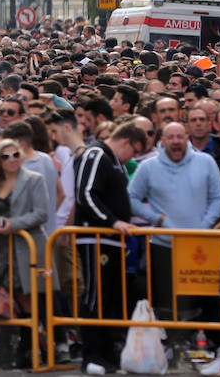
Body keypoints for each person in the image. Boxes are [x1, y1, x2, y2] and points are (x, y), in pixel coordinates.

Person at [127, 122, 220, 364]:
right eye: (170, 137)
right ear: (162, 141)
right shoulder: (148, 167)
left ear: (187, 138)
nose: (175, 141)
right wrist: (157, 219)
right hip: (163, 244)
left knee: (201, 297)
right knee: (165, 299)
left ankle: (203, 343)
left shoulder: (206, 162)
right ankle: (171, 344)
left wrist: (205, 225)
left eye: (179, 136)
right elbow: (131, 198)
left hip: (200, 244)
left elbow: (218, 196)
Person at [72, 122, 145, 376]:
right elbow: (86, 194)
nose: (132, 158)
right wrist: (112, 221)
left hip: (111, 239)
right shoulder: (96, 155)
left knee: (108, 296)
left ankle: (105, 353)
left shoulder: (114, 161)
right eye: (134, 151)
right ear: (126, 141)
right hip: (95, 237)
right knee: (94, 295)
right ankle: (92, 353)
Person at [0, 137, 50, 368]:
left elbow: (41, 213)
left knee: (27, 300)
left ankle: (27, 353)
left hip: (26, 249)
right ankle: (3, 354)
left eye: (15, 154)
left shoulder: (34, 180)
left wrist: (13, 224)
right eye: (5, 156)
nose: (12, 159)